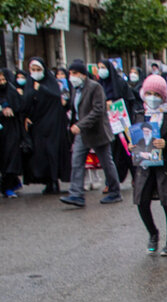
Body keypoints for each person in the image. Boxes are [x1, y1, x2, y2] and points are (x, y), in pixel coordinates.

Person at [130, 74, 167, 256]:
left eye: (157, 94)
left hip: (166, 165)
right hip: (144, 165)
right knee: (142, 201)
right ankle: (153, 233)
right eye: (149, 93)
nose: (152, 97)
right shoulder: (139, 114)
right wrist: (132, 145)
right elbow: (134, 136)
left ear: (163, 96)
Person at [59, 61, 121, 207]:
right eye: (70, 73)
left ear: (82, 74)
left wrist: (80, 125)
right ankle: (76, 194)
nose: (72, 77)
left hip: (97, 131)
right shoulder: (75, 89)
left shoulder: (95, 87)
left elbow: (98, 110)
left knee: (106, 162)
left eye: (74, 73)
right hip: (82, 133)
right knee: (77, 161)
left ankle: (114, 191)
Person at [23, 58, 70, 194]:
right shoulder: (29, 83)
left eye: (38, 70)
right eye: (33, 70)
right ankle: (47, 181)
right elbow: (26, 102)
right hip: (37, 125)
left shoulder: (50, 83)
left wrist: (41, 89)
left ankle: (55, 181)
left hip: (53, 125)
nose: (36, 73)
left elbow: (56, 97)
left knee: (53, 152)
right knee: (41, 154)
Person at [97, 58, 138, 186]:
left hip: (122, 123)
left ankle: (135, 176)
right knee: (112, 154)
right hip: (108, 126)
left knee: (127, 151)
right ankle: (111, 182)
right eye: (99, 67)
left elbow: (130, 100)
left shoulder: (120, 83)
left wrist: (115, 104)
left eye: (103, 67)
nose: (101, 70)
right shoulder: (99, 85)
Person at [0, 69, 25, 197]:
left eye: (4, 80)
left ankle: (8, 186)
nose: (2, 83)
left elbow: (19, 106)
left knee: (11, 157)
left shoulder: (11, 90)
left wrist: (10, 107)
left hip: (11, 130)